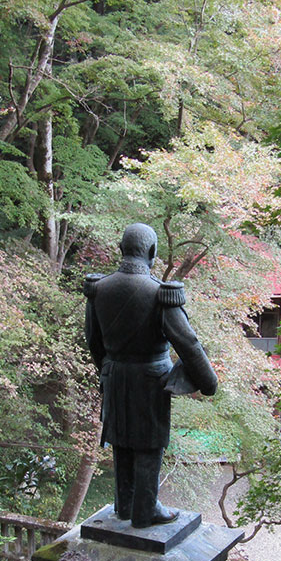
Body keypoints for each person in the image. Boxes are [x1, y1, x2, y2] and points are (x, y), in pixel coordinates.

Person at [84, 223, 218, 528]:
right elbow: (188, 343)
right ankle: (145, 510)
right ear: (153, 252)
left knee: (121, 440)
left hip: (114, 376)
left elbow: (92, 339)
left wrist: (106, 371)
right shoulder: (160, 293)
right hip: (149, 379)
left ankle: (125, 505)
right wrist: (208, 382)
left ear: (121, 249)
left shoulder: (98, 289)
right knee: (148, 443)